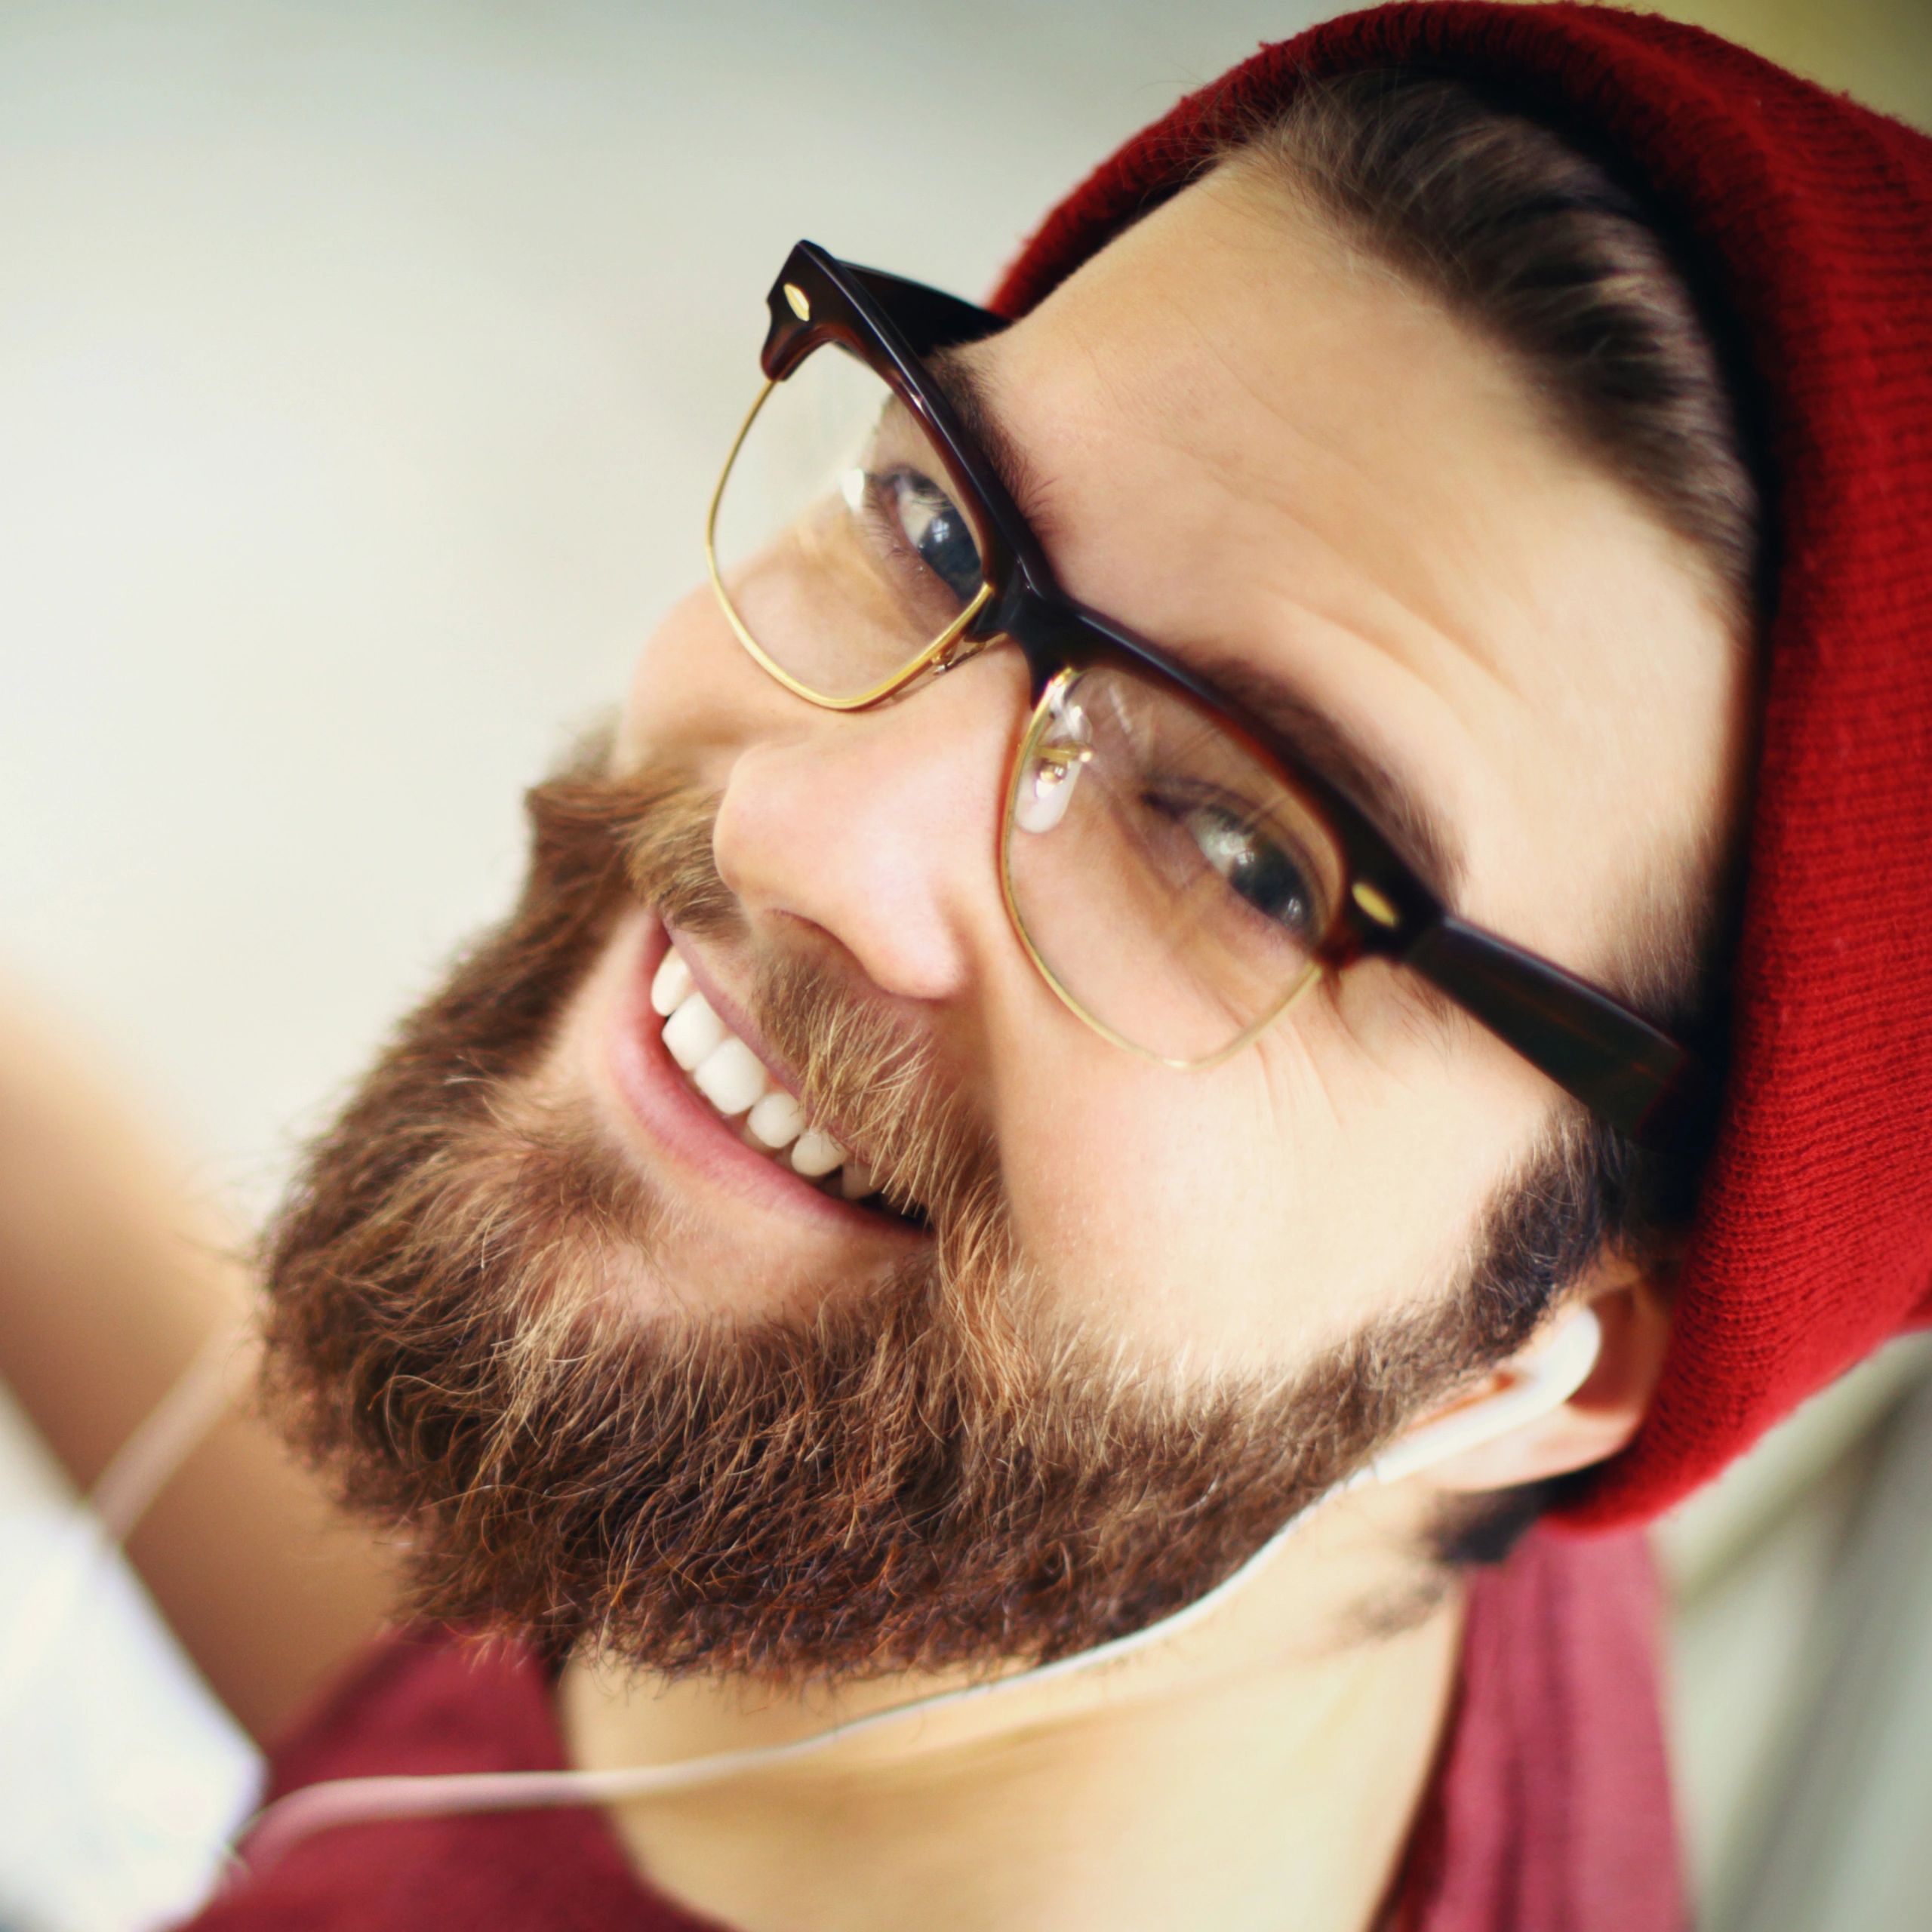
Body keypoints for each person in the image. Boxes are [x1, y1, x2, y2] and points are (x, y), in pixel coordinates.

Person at [3, 4, 1928, 1927]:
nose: (797, 827)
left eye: (1247, 854)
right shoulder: (1305, 1505)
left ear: (1529, 1361)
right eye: (935, 525)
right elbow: (472, 1737)